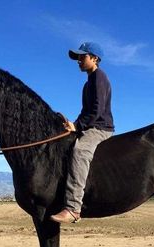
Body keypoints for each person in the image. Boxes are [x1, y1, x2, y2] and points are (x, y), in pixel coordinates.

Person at [50, 42, 114, 224]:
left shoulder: (99, 78)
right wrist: (73, 124)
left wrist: (78, 126)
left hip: (100, 128)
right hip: (90, 125)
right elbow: (86, 112)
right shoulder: (88, 83)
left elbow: (97, 110)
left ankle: (73, 208)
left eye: (82, 57)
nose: (78, 60)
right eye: (77, 57)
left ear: (94, 58)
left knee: (79, 152)